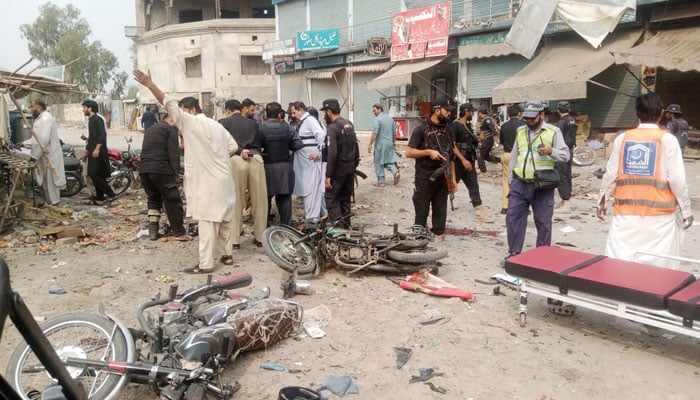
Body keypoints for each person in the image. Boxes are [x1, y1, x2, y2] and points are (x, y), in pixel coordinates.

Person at [133, 69, 238, 274]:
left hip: (208, 182)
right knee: (225, 219)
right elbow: (233, 146)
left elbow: (168, 104)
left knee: (208, 222)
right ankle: (227, 255)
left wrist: (150, 85)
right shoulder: (217, 126)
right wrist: (214, 156)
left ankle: (206, 264)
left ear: (189, 110)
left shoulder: (191, 121)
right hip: (224, 180)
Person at [597, 93, 692, 269]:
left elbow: (611, 174)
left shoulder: (622, 139)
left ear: (636, 114)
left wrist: (602, 201)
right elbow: (677, 179)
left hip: (625, 215)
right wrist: (686, 211)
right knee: (657, 266)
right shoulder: (668, 140)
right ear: (662, 113)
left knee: (621, 262)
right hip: (659, 219)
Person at [506, 101, 569, 256]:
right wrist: (510, 179)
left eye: (532, 118)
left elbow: (565, 155)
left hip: (542, 185)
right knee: (513, 219)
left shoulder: (553, 132)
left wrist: (551, 151)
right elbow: (515, 155)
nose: (528, 121)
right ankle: (514, 254)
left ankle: (541, 257)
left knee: (543, 222)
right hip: (520, 183)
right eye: (526, 118)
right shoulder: (521, 131)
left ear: (541, 115)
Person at [219, 99, 268, 249]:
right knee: (260, 200)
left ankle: (234, 240)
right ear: (240, 109)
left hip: (236, 160)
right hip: (256, 158)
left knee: (236, 200)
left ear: (228, 110)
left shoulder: (223, 122)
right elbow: (261, 143)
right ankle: (260, 238)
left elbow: (222, 145)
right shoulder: (253, 123)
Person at [406, 98, 456, 242]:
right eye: (447, 110)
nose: (449, 113)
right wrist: (428, 152)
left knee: (440, 207)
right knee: (421, 206)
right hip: (425, 176)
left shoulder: (447, 130)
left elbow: (451, 157)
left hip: (442, 176)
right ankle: (419, 236)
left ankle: (438, 235)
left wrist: (452, 178)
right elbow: (409, 152)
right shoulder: (421, 130)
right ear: (437, 110)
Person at [139, 114, 190, 242]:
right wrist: (176, 173)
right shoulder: (170, 129)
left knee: (154, 198)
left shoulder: (151, 129)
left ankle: (153, 231)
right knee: (172, 199)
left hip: (144, 169)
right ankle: (179, 232)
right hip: (160, 169)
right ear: (173, 119)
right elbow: (174, 153)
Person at [259, 102, 303, 226]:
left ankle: (264, 225)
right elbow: (298, 144)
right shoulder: (288, 128)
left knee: (265, 199)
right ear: (280, 114)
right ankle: (286, 226)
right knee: (284, 199)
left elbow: (256, 146)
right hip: (284, 167)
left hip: (267, 168)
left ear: (266, 114)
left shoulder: (261, 128)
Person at [449, 103, 494, 223]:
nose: (473, 114)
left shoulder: (468, 125)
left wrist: (478, 141)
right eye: (471, 112)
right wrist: (463, 160)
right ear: (466, 112)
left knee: (474, 186)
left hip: (469, 161)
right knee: (448, 187)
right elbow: (452, 146)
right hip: (458, 163)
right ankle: (433, 208)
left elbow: (470, 142)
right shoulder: (455, 126)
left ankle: (479, 212)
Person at [321, 98, 358, 228]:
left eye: (325, 111)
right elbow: (355, 147)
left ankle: (339, 232)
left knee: (331, 199)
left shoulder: (332, 127)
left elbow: (332, 153)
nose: (324, 115)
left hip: (338, 170)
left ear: (329, 111)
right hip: (349, 169)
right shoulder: (348, 124)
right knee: (345, 199)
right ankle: (347, 227)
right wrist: (353, 166)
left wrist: (328, 175)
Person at [290, 101, 325, 229]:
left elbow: (321, 135)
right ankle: (311, 218)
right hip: (305, 161)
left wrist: (319, 153)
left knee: (312, 190)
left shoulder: (309, 120)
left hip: (311, 161)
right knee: (307, 189)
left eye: (294, 112)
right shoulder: (304, 122)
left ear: (300, 110)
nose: (293, 115)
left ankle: (313, 219)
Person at [24, 99, 65, 206]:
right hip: (44, 155)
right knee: (46, 181)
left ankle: (55, 203)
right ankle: (49, 203)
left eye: (32, 107)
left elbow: (43, 140)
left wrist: (34, 156)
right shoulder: (39, 119)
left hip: (49, 155)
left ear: (38, 107)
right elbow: (36, 138)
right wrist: (24, 143)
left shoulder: (46, 119)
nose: (31, 110)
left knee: (51, 182)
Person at [81, 100, 117, 204]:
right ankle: (99, 197)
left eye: (84, 108)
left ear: (90, 108)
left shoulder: (97, 119)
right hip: (93, 151)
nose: (83, 110)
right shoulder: (91, 120)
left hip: (98, 152)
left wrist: (97, 149)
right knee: (96, 175)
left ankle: (111, 194)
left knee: (94, 174)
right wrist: (86, 151)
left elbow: (102, 135)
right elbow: (93, 138)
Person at [499, 104, 525, 214]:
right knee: (522, 181)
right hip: (519, 156)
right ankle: (520, 205)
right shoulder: (524, 126)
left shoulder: (504, 126)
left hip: (506, 155)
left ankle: (505, 206)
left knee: (506, 180)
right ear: (519, 113)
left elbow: (501, 141)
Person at [553, 101, 578, 213]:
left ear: (558, 111)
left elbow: (558, 139)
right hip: (570, 151)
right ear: (569, 109)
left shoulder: (561, 123)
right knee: (567, 175)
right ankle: (566, 200)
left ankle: (566, 202)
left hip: (561, 153)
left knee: (561, 176)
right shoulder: (572, 120)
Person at [368, 103, 399, 187]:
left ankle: (381, 181)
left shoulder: (377, 119)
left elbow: (375, 133)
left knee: (378, 162)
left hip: (381, 144)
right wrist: (393, 143)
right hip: (389, 143)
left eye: (374, 110)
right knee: (387, 160)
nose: (373, 112)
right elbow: (394, 133)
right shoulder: (390, 119)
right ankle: (395, 172)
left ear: (379, 109)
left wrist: (370, 144)